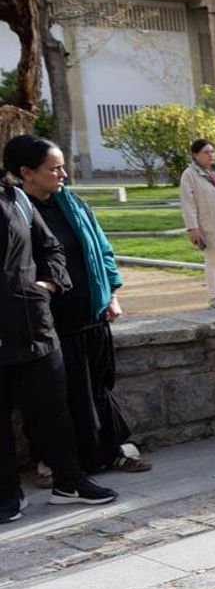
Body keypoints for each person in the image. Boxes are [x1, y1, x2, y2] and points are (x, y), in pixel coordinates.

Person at [14, 136, 149, 477]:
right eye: (53, 168)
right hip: (50, 322)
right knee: (62, 395)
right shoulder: (14, 214)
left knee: (98, 389)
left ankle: (109, 452)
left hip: (90, 314)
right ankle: (61, 464)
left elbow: (102, 251)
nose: (63, 175)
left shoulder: (73, 205)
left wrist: (112, 295)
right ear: (27, 172)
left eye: (62, 166)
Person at [1, 135, 118, 521]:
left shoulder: (16, 200)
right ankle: (7, 496)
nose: (62, 174)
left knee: (54, 411)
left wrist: (47, 284)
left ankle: (69, 482)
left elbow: (51, 249)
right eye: (54, 167)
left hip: (34, 327)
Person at [179, 138, 215, 308]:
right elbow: (188, 203)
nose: (211, 155)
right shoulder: (189, 174)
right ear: (195, 155)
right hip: (207, 225)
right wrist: (193, 228)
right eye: (206, 152)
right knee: (212, 261)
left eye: (212, 151)